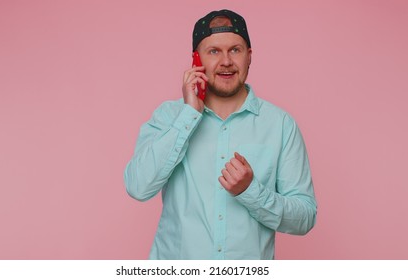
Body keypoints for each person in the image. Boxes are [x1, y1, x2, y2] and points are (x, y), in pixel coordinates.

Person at [124, 9, 317, 260]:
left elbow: (305, 217)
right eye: (214, 51)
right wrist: (189, 115)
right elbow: (138, 186)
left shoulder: (280, 125)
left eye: (235, 50)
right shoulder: (169, 117)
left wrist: (251, 191)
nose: (226, 61)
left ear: (249, 57)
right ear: (196, 59)